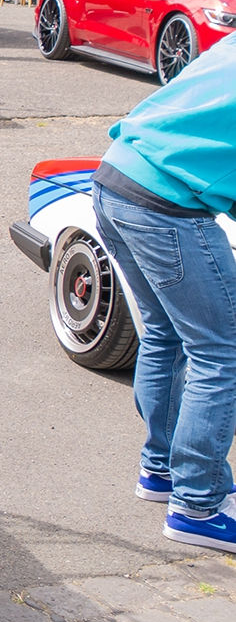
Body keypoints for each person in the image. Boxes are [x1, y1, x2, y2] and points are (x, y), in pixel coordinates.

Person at [90, 35, 236, 555]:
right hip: (167, 204)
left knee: (165, 334)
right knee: (221, 352)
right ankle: (198, 505)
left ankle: (161, 472)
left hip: (114, 178)